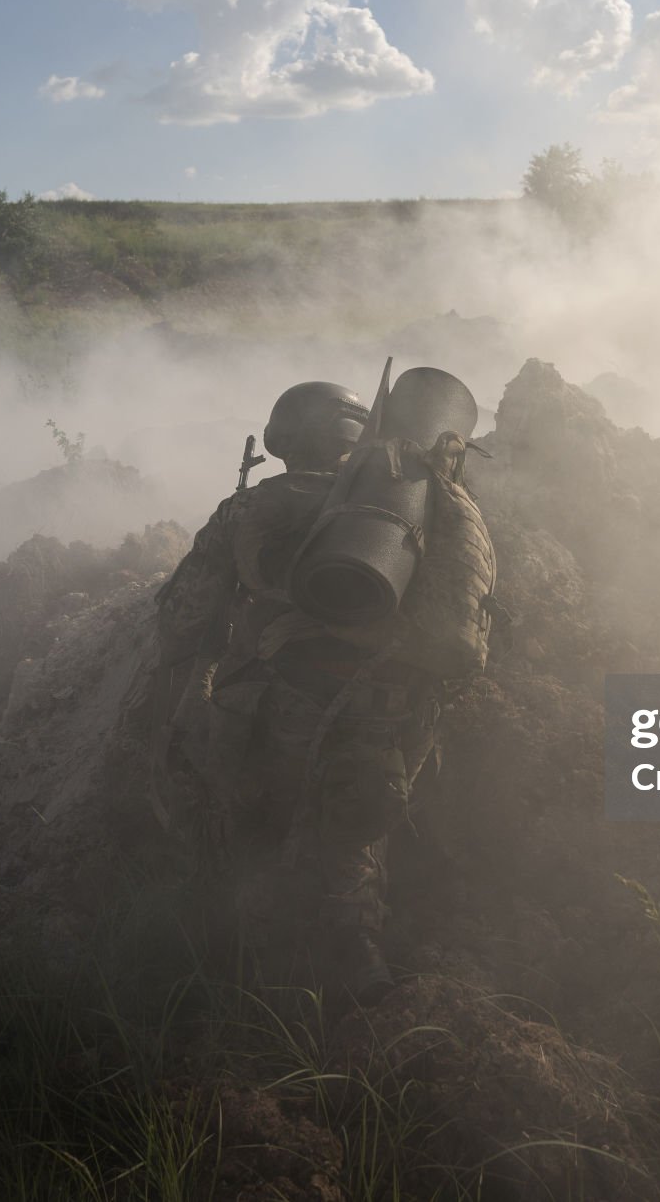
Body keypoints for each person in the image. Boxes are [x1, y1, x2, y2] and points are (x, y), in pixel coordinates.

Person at [154, 378, 489, 1001]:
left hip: (275, 707)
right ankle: (361, 970)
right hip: (391, 721)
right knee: (353, 843)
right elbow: (463, 639)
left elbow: (182, 620)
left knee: (250, 837)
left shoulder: (254, 507)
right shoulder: (426, 510)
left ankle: (244, 992)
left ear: (285, 440)